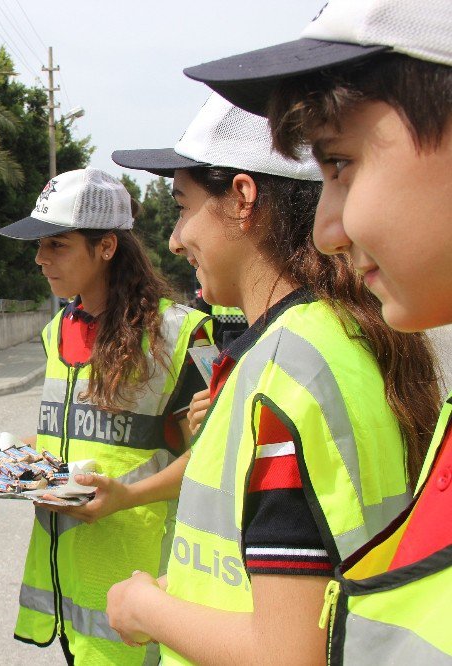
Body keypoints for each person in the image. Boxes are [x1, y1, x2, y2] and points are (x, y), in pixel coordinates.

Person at [105, 94, 440, 664]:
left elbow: (289, 651)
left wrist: (143, 608)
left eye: (183, 206)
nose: (175, 238)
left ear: (241, 198)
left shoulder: (288, 370)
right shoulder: (343, 337)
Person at [181, 0, 452, 660]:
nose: (329, 231)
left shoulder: (295, 361)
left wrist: (146, 607)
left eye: (340, 163)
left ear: (244, 198)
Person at [0, 168, 213, 665]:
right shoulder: (57, 331)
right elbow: (73, 437)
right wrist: (3, 460)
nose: (39, 258)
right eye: (40, 245)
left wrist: (128, 497)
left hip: (139, 585)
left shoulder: (180, 335)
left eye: (57, 244)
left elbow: (211, 460)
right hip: (66, 578)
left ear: (107, 247)